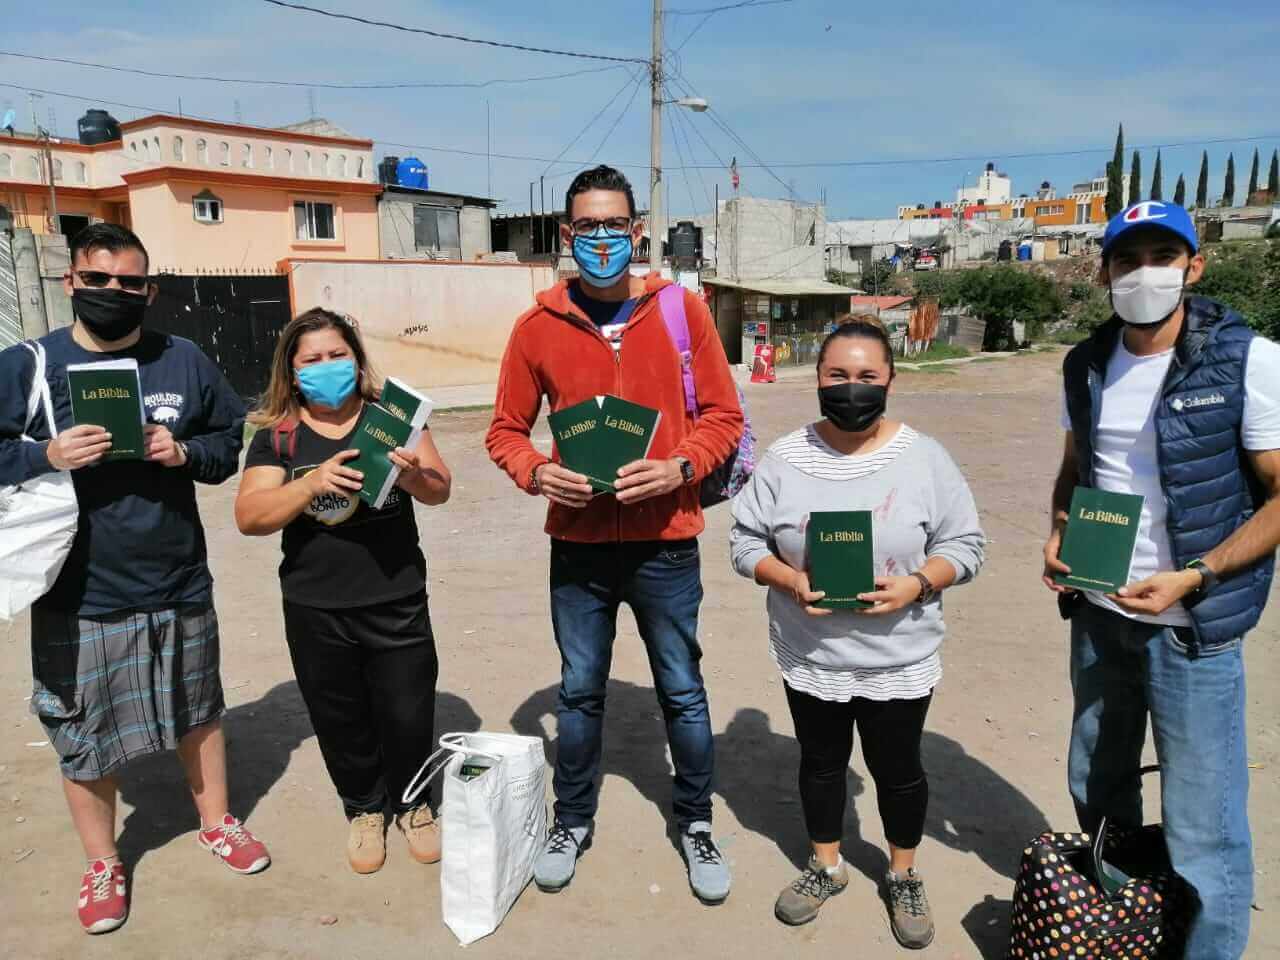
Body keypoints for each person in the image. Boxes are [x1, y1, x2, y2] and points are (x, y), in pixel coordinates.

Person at [0, 223, 269, 935]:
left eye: (130, 283)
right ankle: (103, 861)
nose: (115, 293)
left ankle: (216, 820)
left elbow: (226, 443)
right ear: (71, 282)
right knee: (83, 731)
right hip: (77, 589)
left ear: (148, 290)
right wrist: (43, 455)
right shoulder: (27, 366)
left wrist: (182, 450)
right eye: (99, 279)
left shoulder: (182, 359)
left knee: (200, 708)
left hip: (177, 576)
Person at [485, 165, 744, 903]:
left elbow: (724, 417)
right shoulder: (537, 327)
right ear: (567, 234)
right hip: (580, 545)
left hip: (667, 540)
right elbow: (505, 431)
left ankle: (695, 823)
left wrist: (680, 469)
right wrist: (537, 472)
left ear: (637, 232)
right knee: (579, 692)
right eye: (586, 227)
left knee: (683, 691)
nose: (602, 240)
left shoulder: (679, 311)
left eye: (614, 226)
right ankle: (573, 820)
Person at [1043, 200, 1280, 959]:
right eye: (1127, 258)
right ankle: (1119, 928)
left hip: (1193, 633)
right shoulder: (1087, 362)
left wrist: (1197, 575)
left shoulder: (1250, 360)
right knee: (1098, 785)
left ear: (1193, 266)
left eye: (1161, 257)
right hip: (1103, 617)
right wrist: (1058, 535)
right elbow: (1081, 469)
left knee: (1203, 823)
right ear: (1106, 270)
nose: (1143, 273)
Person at [730, 316, 984, 946]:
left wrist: (919, 583)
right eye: (837, 375)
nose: (852, 388)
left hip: (899, 654)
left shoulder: (925, 459)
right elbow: (743, 542)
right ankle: (827, 864)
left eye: (867, 376)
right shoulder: (785, 459)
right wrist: (786, 579)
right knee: (819, 764)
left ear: (891, 378)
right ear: (816, 379)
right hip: (812, 651)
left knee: (898, 769)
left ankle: (902, 873)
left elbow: (966, 544)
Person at [234, 308, 451, 875]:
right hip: (316, 605)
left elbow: (440, 490)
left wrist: (411, 476)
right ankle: (364, 808)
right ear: (292, 369)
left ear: (357, 359)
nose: (327, 367)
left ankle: (415, 804)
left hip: (396, 595)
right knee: (340, 716)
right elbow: (251, 515)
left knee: (406, 711)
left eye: (338, 354)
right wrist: (309, 483)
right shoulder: (277, 436)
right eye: (312, 359)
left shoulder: (393, 419)